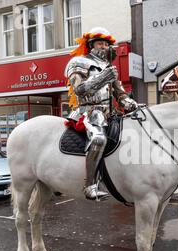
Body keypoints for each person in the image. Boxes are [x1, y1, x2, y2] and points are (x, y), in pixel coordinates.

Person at [65, 27, 137, 200]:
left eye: (106, 44)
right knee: (98, 139)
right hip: (88, 112)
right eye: (100, 43)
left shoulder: (108, 67)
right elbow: (80, 90)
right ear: (91, 45)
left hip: (109, 114)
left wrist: (129, 103)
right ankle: (89, 185)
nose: (104, 47)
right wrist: (103, 77)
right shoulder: (79, 62)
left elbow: (119, 94)